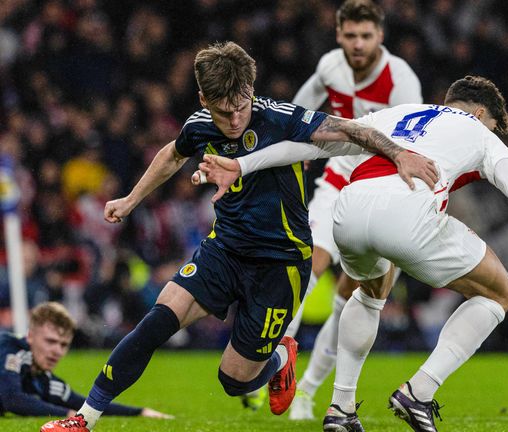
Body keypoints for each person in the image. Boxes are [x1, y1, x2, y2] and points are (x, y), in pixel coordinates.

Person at [41, 40, 438, 432]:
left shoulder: (281, 118)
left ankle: (280, 359)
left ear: (251, 90)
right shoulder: (198, 126)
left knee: (234, 381)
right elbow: (172, 154)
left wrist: (400, 153)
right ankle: (83, 419)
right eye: (221, 112)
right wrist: (131, 199)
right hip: (225, 250)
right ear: (202, 98)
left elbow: (351, 130)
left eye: (240, 108)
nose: (233, 121)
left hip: (280, 265)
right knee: (155, 322)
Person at [197, 75, 508, 432]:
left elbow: (306, 146)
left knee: (370, 293)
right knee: (500, 292)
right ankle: (419, 391)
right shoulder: (478, 131)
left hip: (350, 211)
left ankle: (341, 408)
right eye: (493, 125)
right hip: (408, 214)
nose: (491, 131)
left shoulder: (395, 114)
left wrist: (243, 164)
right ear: (479, 113)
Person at [283, 0, 422, 420]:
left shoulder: (400, 80)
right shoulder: (330, 66)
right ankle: (279, 363)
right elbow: (298, 108)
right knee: (309, 264)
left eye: (366, 36)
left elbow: (413, 144)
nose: (357, 44)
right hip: (339, 177)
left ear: (380, 36)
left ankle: (307, 391)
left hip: (382, 189)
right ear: (338, 34)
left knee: (351, 299)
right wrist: (297, 145)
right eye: (350, 36)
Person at [0, 302, 170, 419]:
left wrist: (139, 412)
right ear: (30, 336)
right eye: (50, 341)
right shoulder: (10, 348)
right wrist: (68, 414)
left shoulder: (43, 380)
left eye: (63, 344)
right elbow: (13, 399)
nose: (57, 351)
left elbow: (81, 404)